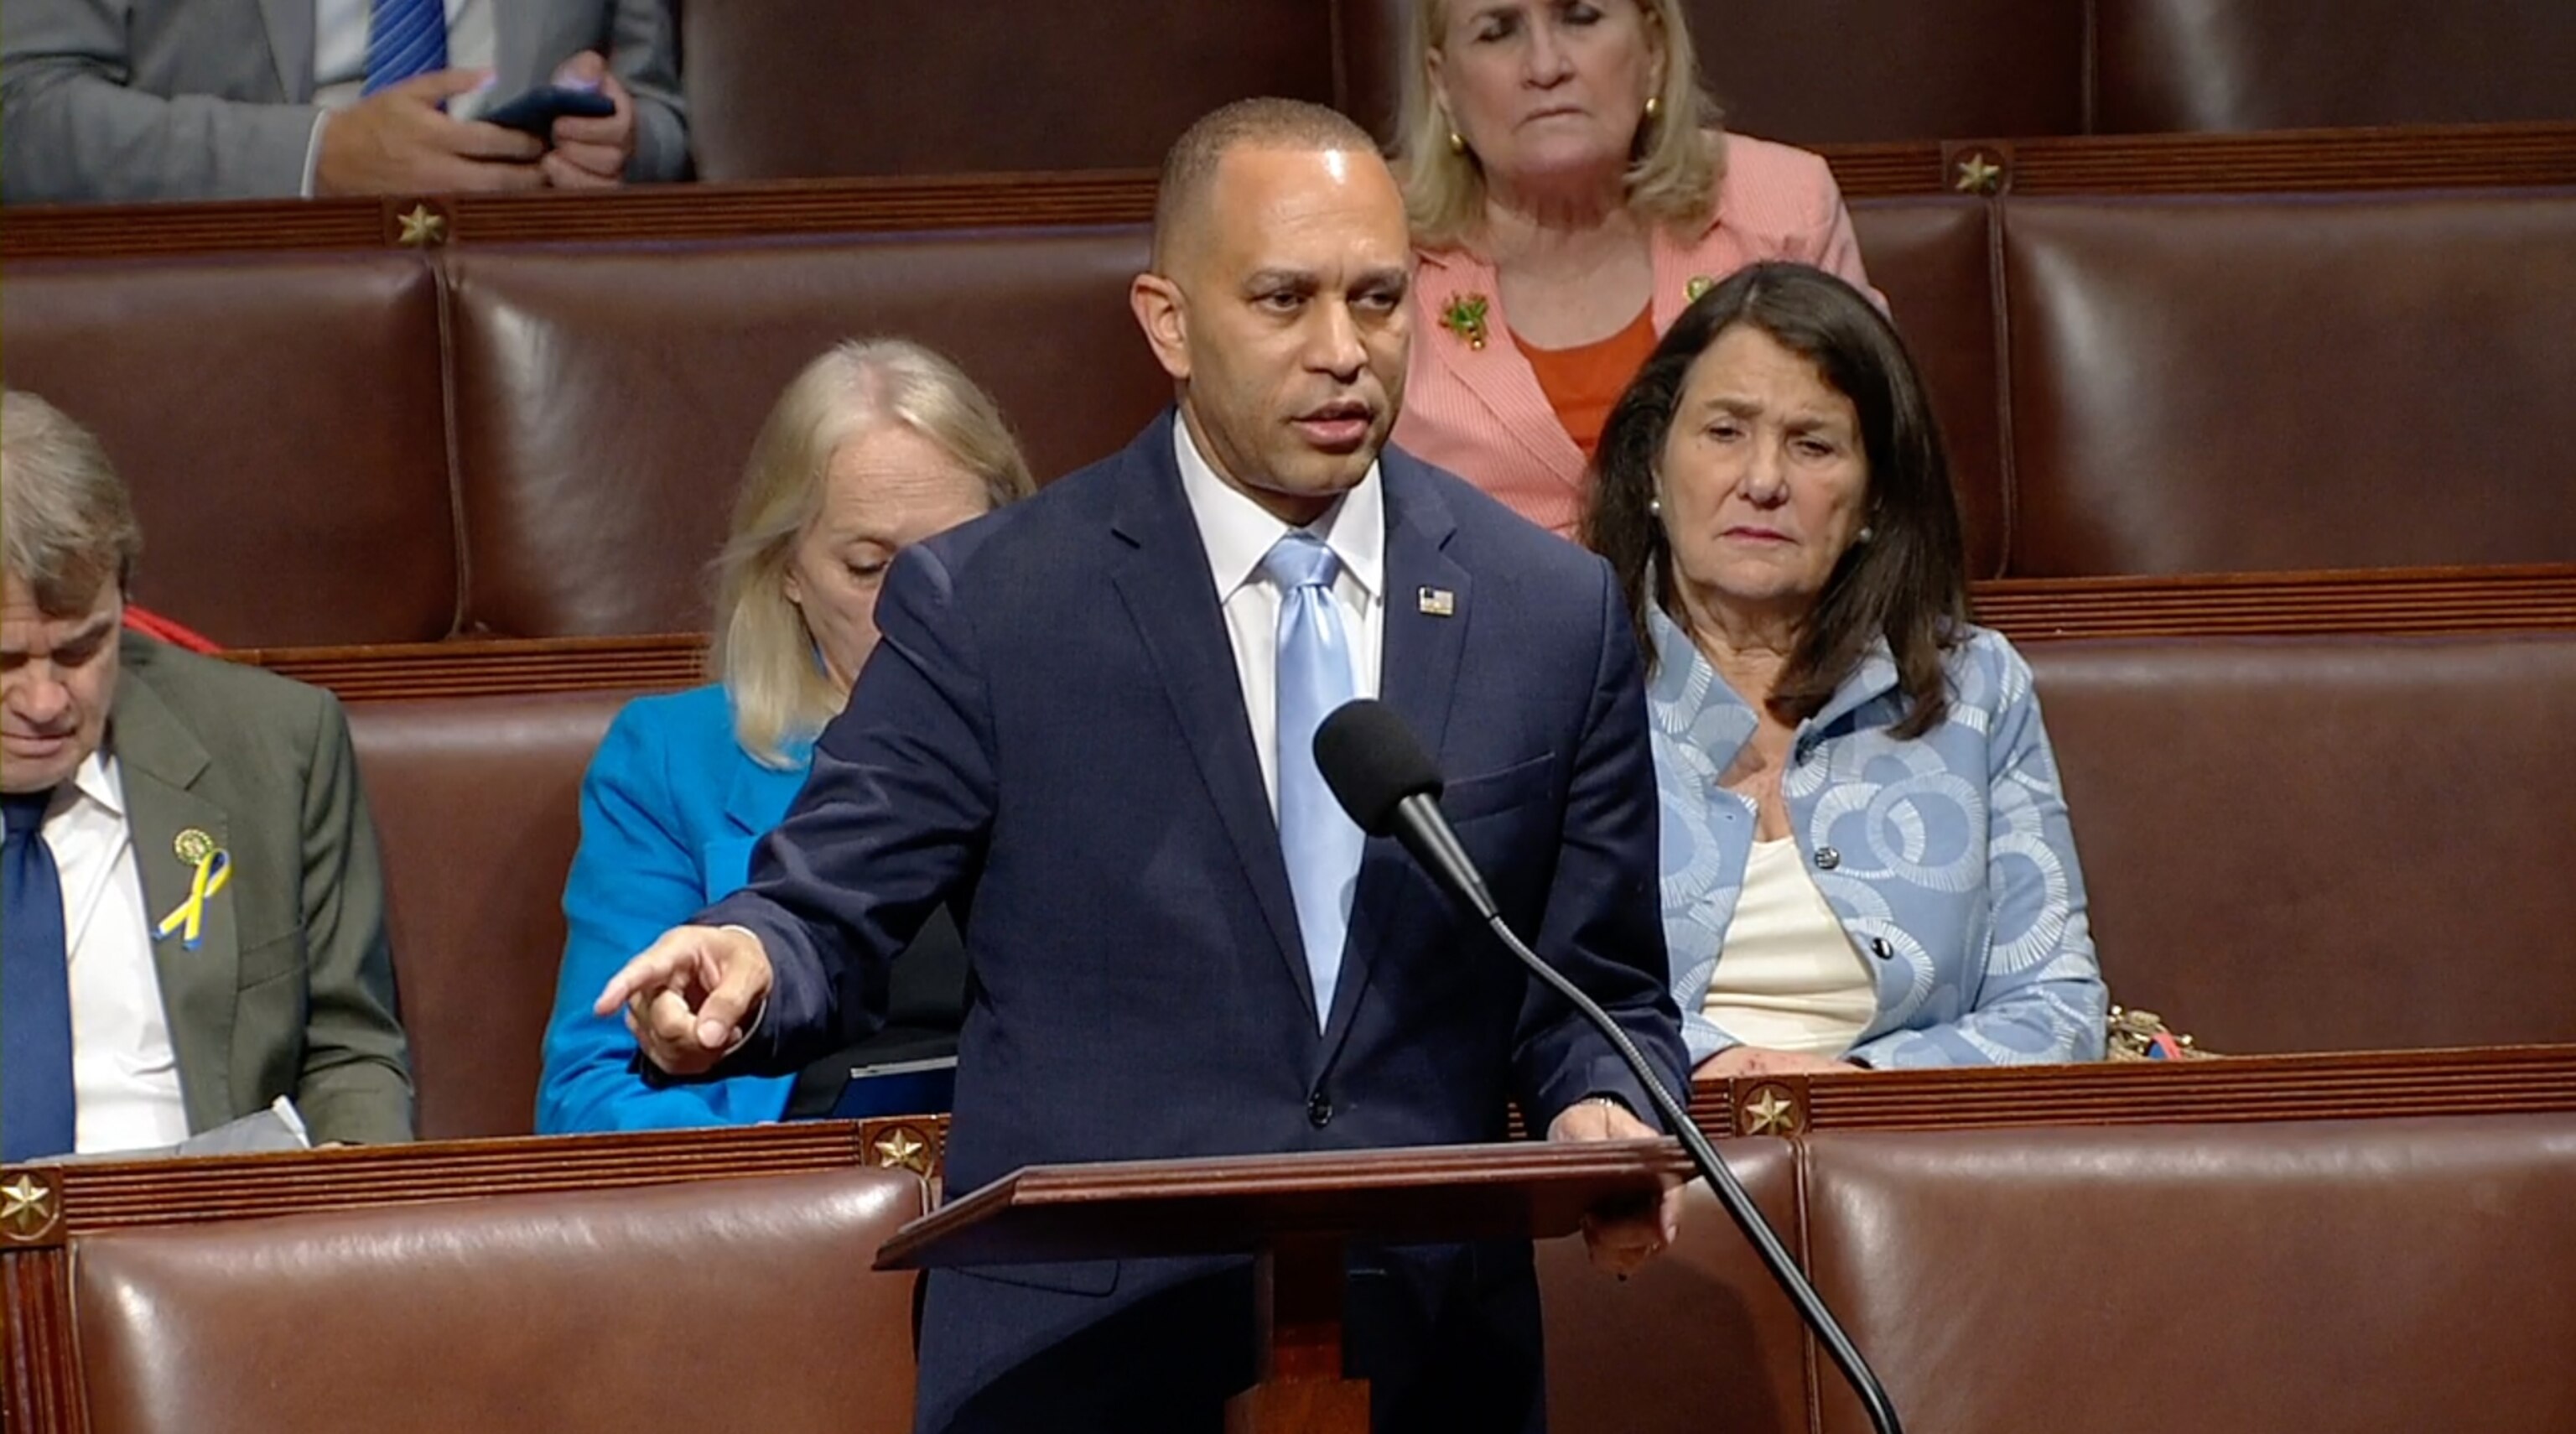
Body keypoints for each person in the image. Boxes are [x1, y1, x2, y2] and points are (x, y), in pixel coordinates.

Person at [595, 98, 1689, 1434]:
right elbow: (827, 902)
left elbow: (1600, 989)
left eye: (1379, 299)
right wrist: (745, 961)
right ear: (1168, 321)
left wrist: (1605, 1114)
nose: (1343, 351)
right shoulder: (995, 602)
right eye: (1284, 300)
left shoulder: (1548, 613)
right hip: (1086, 1364)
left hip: (1429, 1361)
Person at [1584, 262, 2106, 1076]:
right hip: (1649, 1156)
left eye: (1813, 444)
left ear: (1874, 500)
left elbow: (2058, 1008)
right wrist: (1721, 1075)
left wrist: (1855, 1094)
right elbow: (1517, 995)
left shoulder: (1975, 690)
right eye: (1725, 432)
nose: (1763, 482)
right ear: (1653, 465)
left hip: (1915, 1168)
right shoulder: (1562, 679)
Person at [536, 340, 1034, 1135]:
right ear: (789, 572)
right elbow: (588, 1100)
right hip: (798, 1211)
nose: (920, 603)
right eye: (870, 568)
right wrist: (785, 1207)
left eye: (959, 559)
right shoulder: (669, 761)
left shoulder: (1089, 733)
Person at [1, 390, 412, 1160]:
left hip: (204, 1246)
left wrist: (342, 1216)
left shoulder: (274, 748)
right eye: (4, 661)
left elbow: (349, 1053)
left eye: (81, 649)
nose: (46, 700)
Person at [1389, 0, 1878, 540]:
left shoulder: (1784, 209)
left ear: (1654, 49)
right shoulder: (1376, 244)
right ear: (1442, 83)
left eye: (1581, 18)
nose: (1546, 67)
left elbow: (1876, 459)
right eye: (1498, 31)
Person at [1, 1, 686, 204]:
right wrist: (316, 159)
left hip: (527, 304)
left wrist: (621, 148)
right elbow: (24, 117)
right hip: (223, 302)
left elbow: (657, 112)